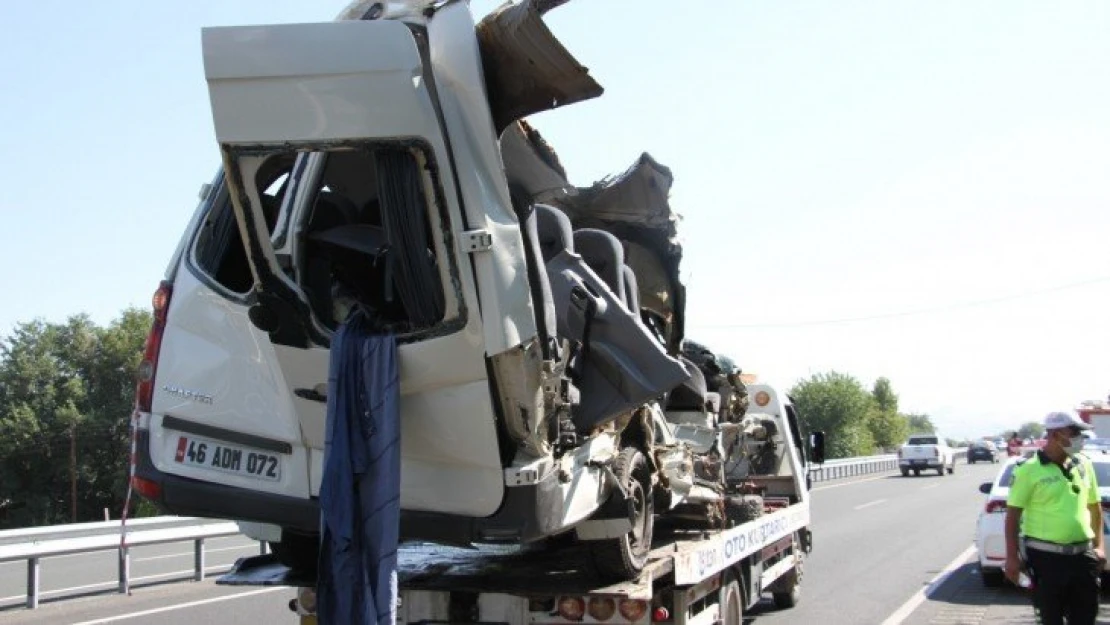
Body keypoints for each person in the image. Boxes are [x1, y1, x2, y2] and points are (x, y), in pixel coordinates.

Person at [1005, 412, 1105, 625]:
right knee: (1051, 619)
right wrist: (1012, 557)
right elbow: (1012, 516)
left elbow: (1094, 508)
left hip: (1083, 558)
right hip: (1046, 559)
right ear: (1056, 434)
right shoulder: (1028, 470)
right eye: (1075, 432)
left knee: (1086, 618)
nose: (1080, 439)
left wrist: (1100, 547)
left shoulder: (1083, 465)